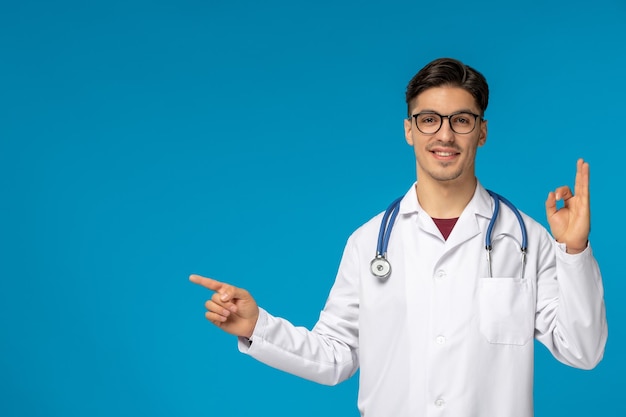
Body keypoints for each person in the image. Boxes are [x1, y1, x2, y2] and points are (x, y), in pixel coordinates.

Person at [189, 57, 607, 417]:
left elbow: (583, 351)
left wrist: (574, 251)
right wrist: (257, 326)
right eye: (429, 120)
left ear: (481, 132)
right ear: (409, 130)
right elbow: (336, 356)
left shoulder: (525, 238)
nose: (445, 135)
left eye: (461, 120)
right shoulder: (369, 242)